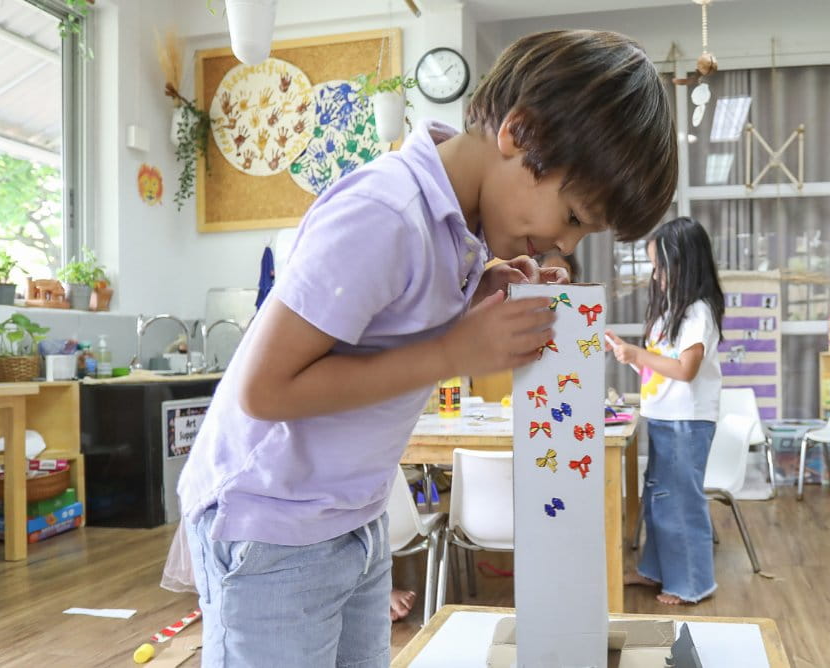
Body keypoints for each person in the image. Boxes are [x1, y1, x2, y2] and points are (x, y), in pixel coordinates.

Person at [177, 29, 677, 666]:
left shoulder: (459, 234)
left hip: (351, 514)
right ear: (518, 135)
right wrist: (455, 352)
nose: (565, 244)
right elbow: (264, 389)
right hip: (272, 523)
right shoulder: (387, 212)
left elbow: (383, 329)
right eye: (573, 217)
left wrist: (479, 297)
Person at [606, 217, 724, 605]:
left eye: (660, 266)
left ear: (684, 264)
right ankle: (654, 569)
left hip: (686, 423)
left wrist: (639, 354)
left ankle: (691, 583)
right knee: (659, 498)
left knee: (680, 503)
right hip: (664, 417)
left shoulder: (698, 313)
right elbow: (661, 366)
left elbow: (685, 371)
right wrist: (629, 354)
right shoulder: (670, 311)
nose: (655, 276)